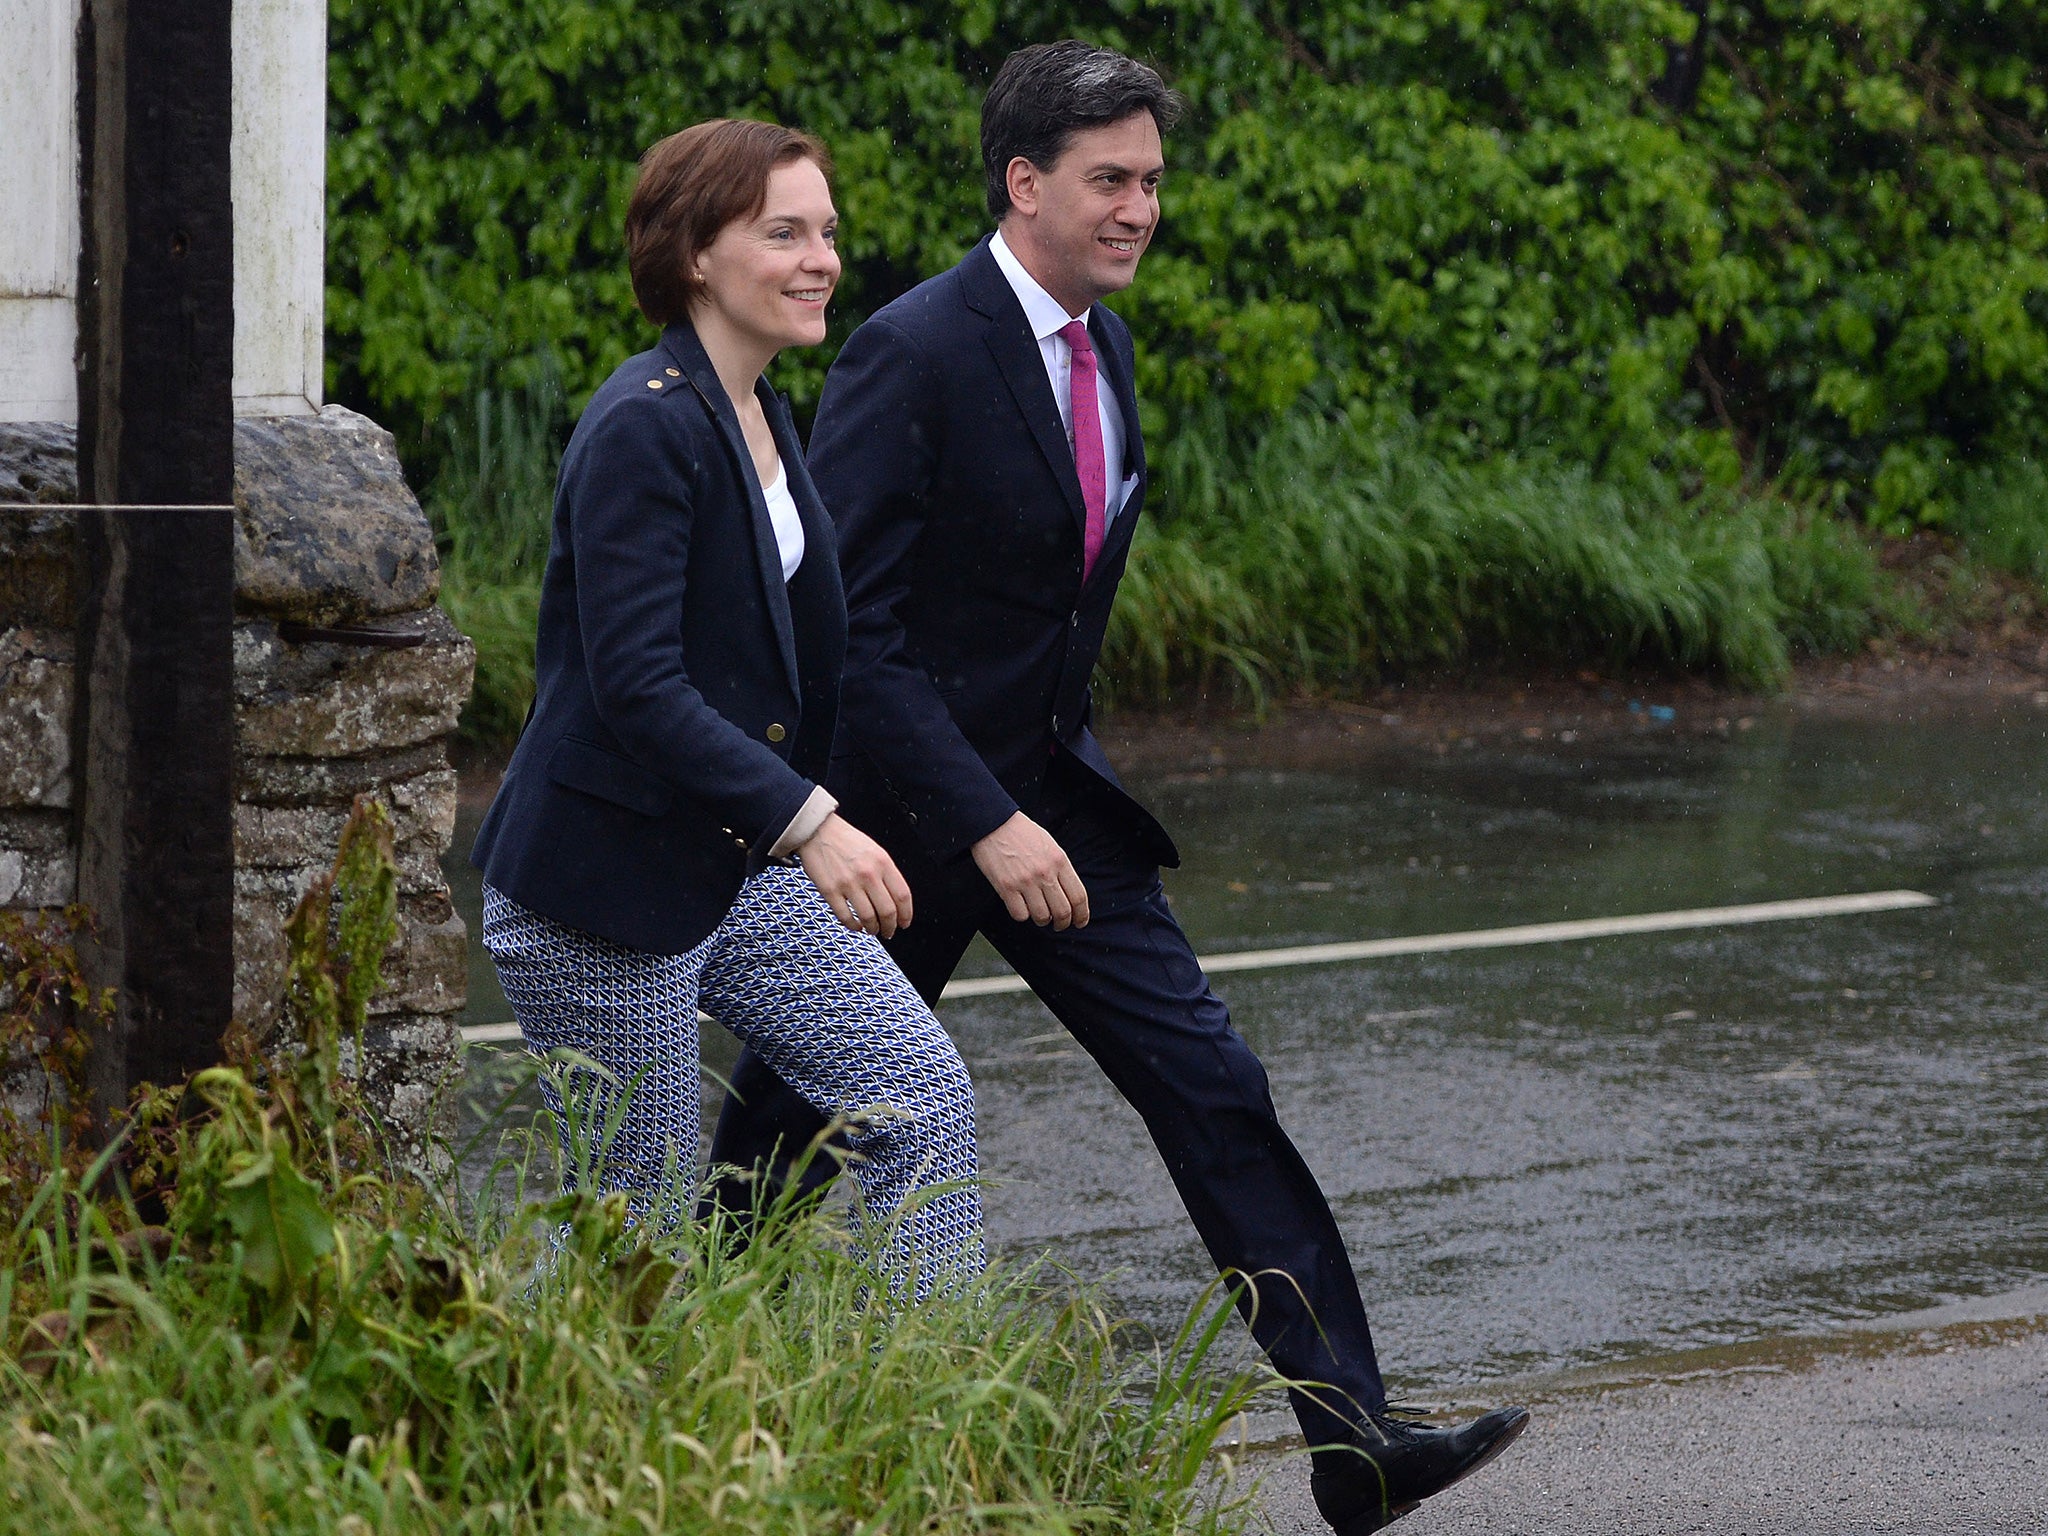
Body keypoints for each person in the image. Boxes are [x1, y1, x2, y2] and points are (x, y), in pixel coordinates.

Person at [706, 42, 1526, 1530]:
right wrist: (981, 820)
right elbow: (855, 640)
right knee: (790, 1138)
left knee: (1215, 1087)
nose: (1141, 207)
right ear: (1025, 185)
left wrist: (1040, 802)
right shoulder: (914, 349)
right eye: (1110, 180)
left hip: (1055, 812)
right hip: (899, 823)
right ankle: (664, 1388)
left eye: (1151, 179)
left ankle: (1355, 1441)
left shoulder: (1108, 349)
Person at [470, 118, 982, 1296]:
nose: (821, 260)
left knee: (919, 1103)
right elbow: (636, 686)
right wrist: (811, 820)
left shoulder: (759, 410)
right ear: (697, 253)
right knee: (631, 1228)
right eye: (783, 233)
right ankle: (512, 1416)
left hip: (726, 868)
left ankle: (927, 1431)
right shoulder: (644, 426)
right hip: (598, 886)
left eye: (828, 233)